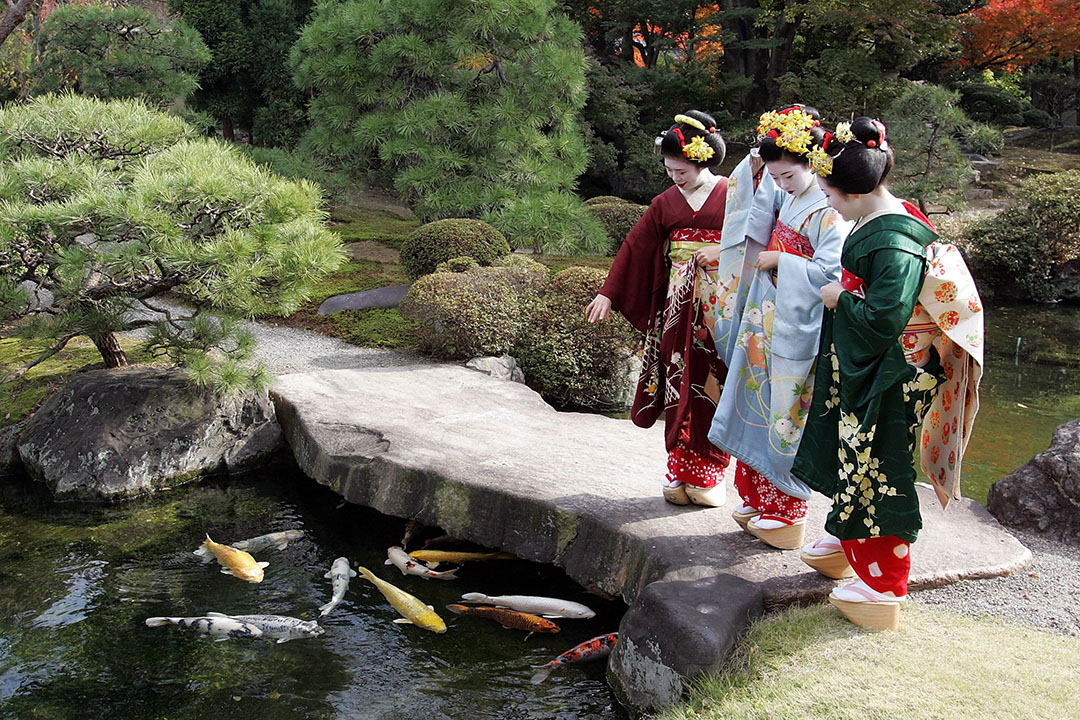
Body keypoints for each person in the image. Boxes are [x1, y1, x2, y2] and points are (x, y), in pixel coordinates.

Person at [791, 117, 983, 631]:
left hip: (894, 370)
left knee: (878, 465)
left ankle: (882, 584)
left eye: (828, 192)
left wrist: (839, 296)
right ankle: (847, 540)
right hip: (875, 364)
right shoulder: (889, 217)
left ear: (854, 193)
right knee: (850, 449)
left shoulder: (893, 241)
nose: (826, 201)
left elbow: (883, 319)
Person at [708, 105, 851, 550]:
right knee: (754, 401)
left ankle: (788, 511)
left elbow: (831, 275)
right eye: (777, 178)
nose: (782, 185)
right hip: (766, 315)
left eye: (789, 176)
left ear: (813, 164)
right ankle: (757, 497)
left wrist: (782, 261)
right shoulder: (786, 194)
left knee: (787, 412)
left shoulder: (830, 212)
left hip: (797, 324)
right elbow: (750, 218)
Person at [585, 111, 731, 506]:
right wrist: (609, 293)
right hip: (676, 303)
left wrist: (723, 250)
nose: (674, 177)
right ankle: (678, 468)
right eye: (669, 169)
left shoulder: (735, 194)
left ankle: (709, 472)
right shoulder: (665, 202)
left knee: (712, 379)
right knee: (676, 377)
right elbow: (636, 247)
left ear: (703, 160)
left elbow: (755, 239)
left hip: (722, 304)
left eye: (681, 170)